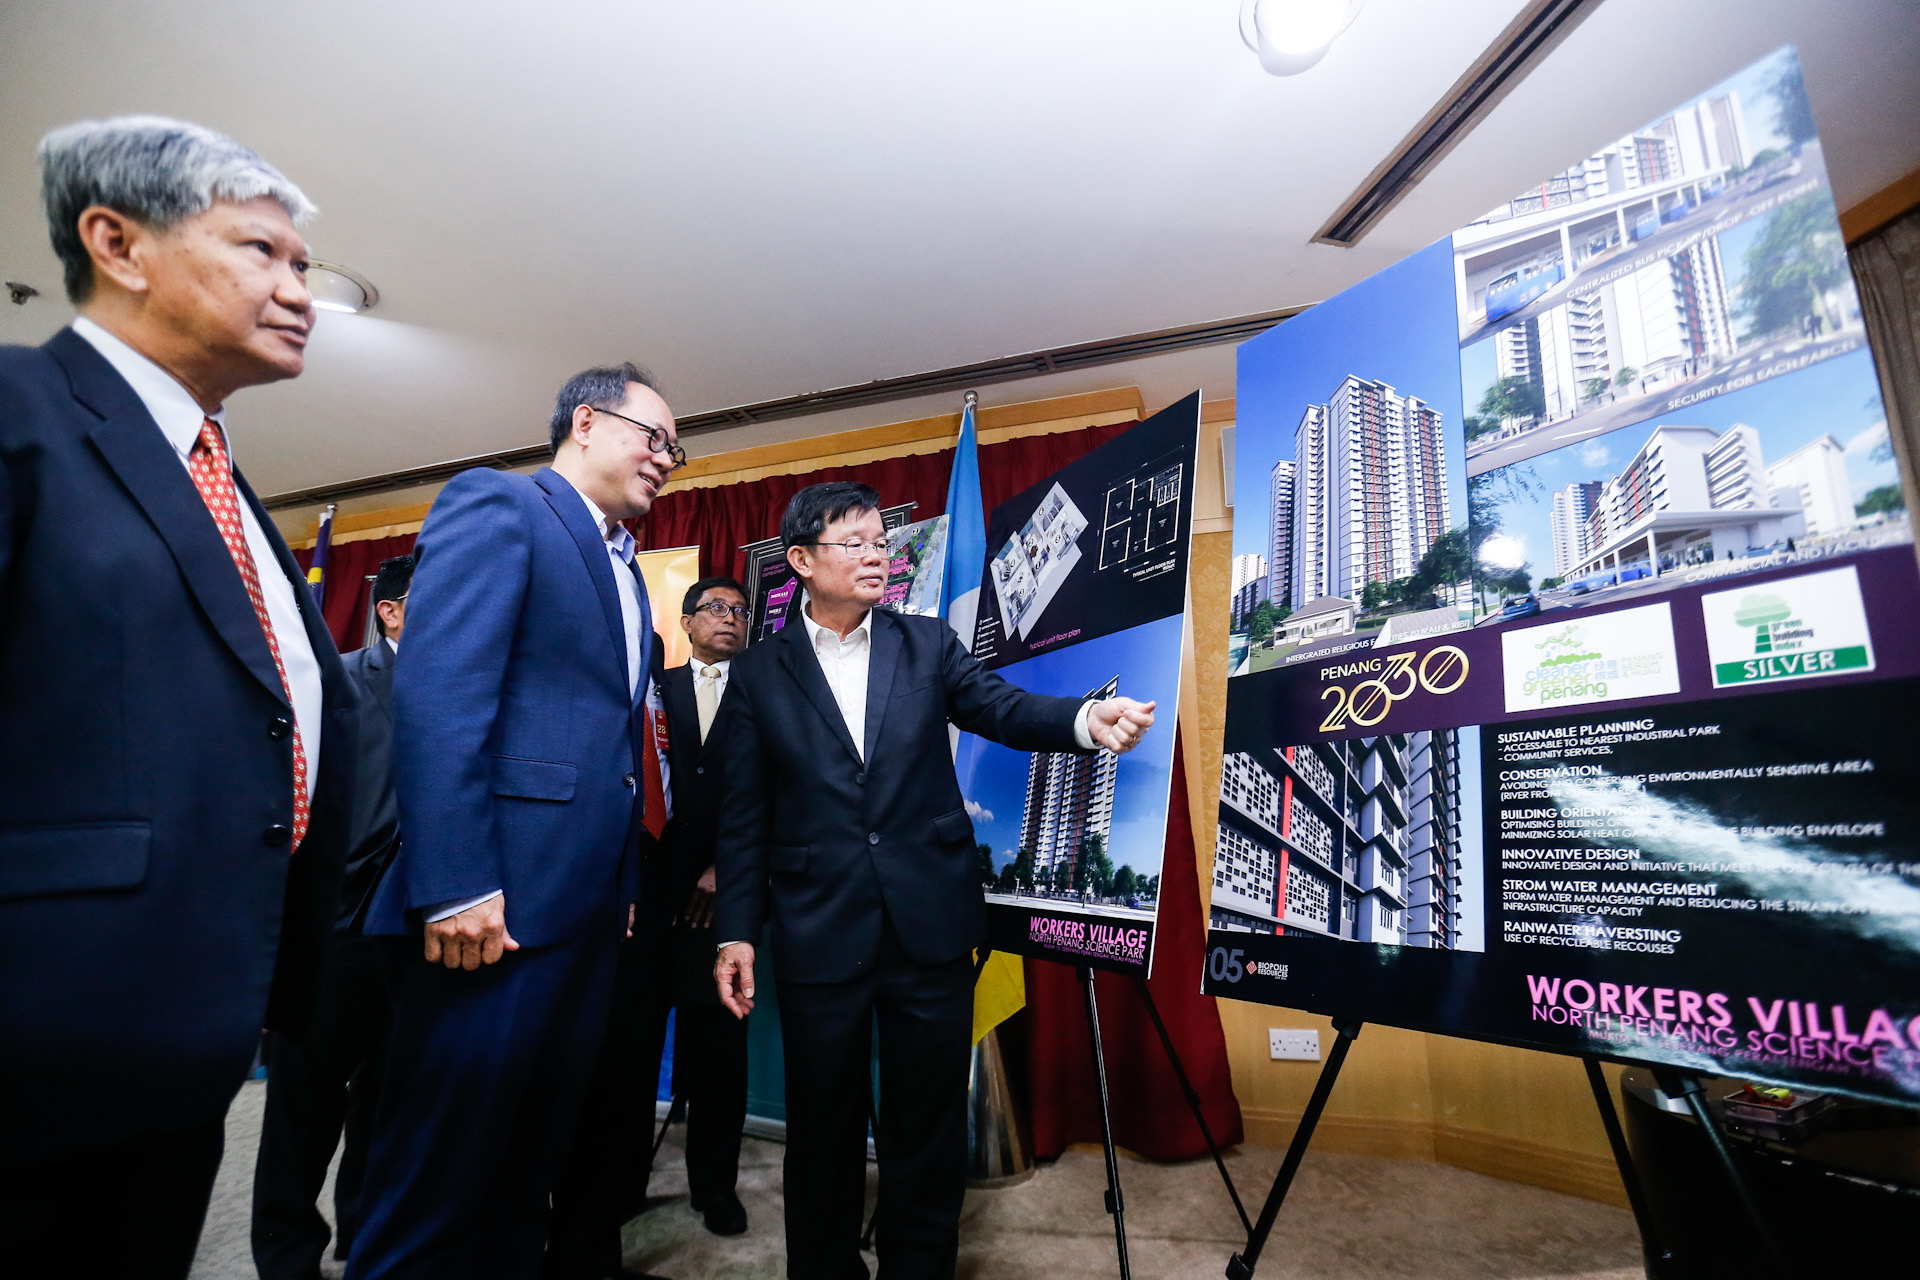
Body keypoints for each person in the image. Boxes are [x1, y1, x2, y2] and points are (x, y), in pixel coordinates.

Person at [0, 116, 354, 1279]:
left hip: (186, 1028)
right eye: (261, 251)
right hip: (45, 1039)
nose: (297, 288)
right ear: (118, 242)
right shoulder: (22, 410)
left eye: (303, 265)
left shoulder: (221, 477)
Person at [712, 482, 1155, 1280]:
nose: (877, 553)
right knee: (826, 1125)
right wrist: (736, 930)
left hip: (930, 922)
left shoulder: (926, 644)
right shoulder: (758, 676)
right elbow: (744, 817)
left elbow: (1000, 707)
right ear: (804, 561)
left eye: (881, 540)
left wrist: (1086, 720)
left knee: (925, 1124)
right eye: (853, 542)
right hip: (819, 928)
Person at [347, 364, 684, 1280]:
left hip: (580, 920)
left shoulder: (625, 571)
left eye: (675, 450)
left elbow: (610, 752)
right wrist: (455, 882)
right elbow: (441, 694)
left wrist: (618, 889)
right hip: (487, 912)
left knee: (520, 1176)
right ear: (586, 421)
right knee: (439, 1182)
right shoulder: (502, 505)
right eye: (654, 437)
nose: (666, 460)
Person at [543, 576, 752, 1278]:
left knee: (718, 1052)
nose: (731, 618)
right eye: (717, 608)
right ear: (687, 622)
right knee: (625, 1056)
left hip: (721, 901)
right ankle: (619, 1185)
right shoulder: (649, 687)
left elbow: (782, 788)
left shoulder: (766, 688)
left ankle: (715, 1187)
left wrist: (726, 869)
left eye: (741, 610)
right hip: (638, 897)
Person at [253, 553, 415, 1277]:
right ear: (391, 610)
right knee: (302, 1109)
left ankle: (364, 1236)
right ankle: (287, 1252)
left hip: (419, 936)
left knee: (387, 1104)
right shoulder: (338, 683)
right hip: (336, 927)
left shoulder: (471, 689)